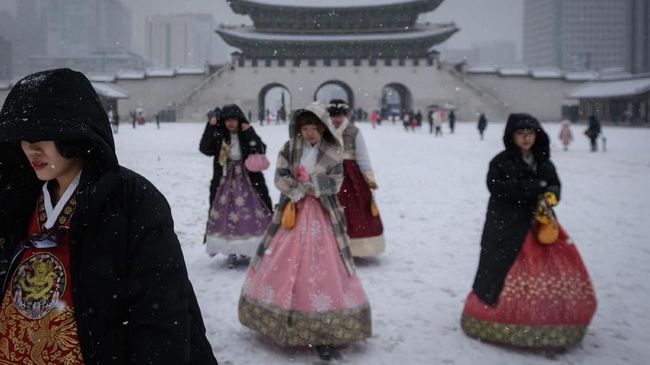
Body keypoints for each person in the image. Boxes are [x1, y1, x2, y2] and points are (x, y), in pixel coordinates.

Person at [0, 68, 218, 364]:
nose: (30, 148)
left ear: (75, 130)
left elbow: (161, 313)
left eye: (43, 135)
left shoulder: (133, 201)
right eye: (22, 137)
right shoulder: (18, 198)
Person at [239, 102, 372, 361]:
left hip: (323, 213)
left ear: (322, 128)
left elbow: (336, 179)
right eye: (305, 128)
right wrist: (299, 190)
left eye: (314, 128)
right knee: (284, 257)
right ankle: (281, 315)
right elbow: (280, 177)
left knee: (325, 263)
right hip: (294, 212)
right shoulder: (289, 148)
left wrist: (312, 186)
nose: (310, 133)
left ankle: (326, 325)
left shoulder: (333, 149)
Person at [460, 113, 596, 349]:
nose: (526, 138)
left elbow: (553, 183)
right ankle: (499, 320)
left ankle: (548, 318)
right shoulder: (501, 162)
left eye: (530, 134)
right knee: (502, 270)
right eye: (521, 134)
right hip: (506, 225)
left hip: (539, 224)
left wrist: (552, 194)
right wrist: (535, 188)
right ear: (512, 137)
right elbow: (497, 188)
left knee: (549, 269)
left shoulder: (543, 160)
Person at [200, 104, 273, 267]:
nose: (231, 123)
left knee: (250, 213)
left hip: (248, 180)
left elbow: (261, 149)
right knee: (227, 213)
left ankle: (249, 247)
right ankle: (230, 250)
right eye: (228, 120)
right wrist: (210, 126)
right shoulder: (220, 135)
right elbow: (205, 148)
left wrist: (249, 131)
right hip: (225, 180)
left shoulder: (245, 133)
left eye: (234, 120)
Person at [328, 99, 385, 258]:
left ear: (345, 115)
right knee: (330, 211)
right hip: (329, 174)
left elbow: (363, 157)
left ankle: (356, 247)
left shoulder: (353, 131)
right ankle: (331, 246)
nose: (336, 119)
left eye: (339, 115)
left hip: (350, 176)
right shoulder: (324, 131)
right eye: (333, 116)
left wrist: (368, 176)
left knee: (354, 211)